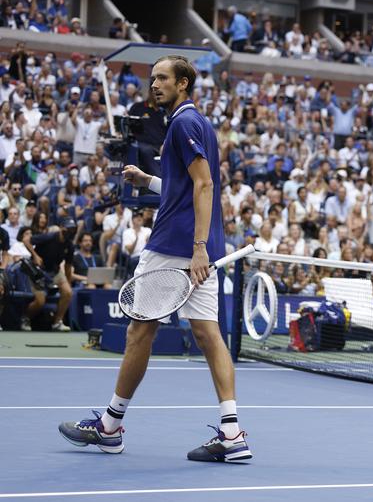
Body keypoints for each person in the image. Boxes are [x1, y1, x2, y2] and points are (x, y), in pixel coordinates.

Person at [59, 56, 251, 462]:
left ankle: (110, 427)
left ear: (183, 84)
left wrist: (198, 247)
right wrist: (147, 181)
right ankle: (232, 434)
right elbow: (186, 187)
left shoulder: (183, 123)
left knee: (139, 333)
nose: (154, 85)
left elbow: (205, 185)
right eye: (152, 79)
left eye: (163, 78)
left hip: (174, 247)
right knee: (208, 334)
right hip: (197, 248)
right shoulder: (198, 124)